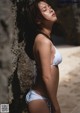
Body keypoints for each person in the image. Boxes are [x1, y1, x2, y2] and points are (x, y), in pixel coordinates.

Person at [25, 0, 62, 113]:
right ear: (38, 20)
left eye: (49, 6)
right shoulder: (43, 41)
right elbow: (46, 76)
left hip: (46, 98)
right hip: (39, 99)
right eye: (45, 10)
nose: (50, 9)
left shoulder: (45, 38)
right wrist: (56, 106)